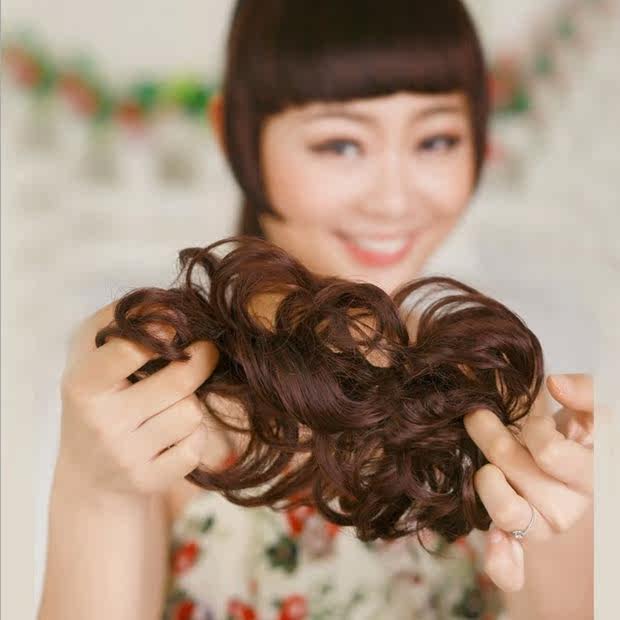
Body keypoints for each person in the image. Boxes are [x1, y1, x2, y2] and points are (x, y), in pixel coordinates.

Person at [37, 1, 594, 619]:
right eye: (340, 144)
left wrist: (560, 529)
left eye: (436, 140)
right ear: (235, 136)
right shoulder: (153, 367)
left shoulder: (489, 379)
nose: (393, 200)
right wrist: (94, 488)